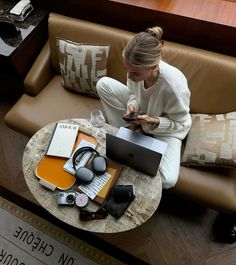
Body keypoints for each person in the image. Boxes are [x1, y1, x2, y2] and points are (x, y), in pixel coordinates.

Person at [96, 26, 192, 189]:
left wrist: (153, 121)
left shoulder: (175, 87)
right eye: (127, 70)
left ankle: (135, 137)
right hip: (142, 116)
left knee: (168, 179)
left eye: (135, 73)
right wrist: (132, 107)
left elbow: (180, 124)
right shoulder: (134, 70)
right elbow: (133, 93)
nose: (129, 76)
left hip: (167, 127)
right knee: (103, 84)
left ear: (154, 67)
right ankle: (129, 133)